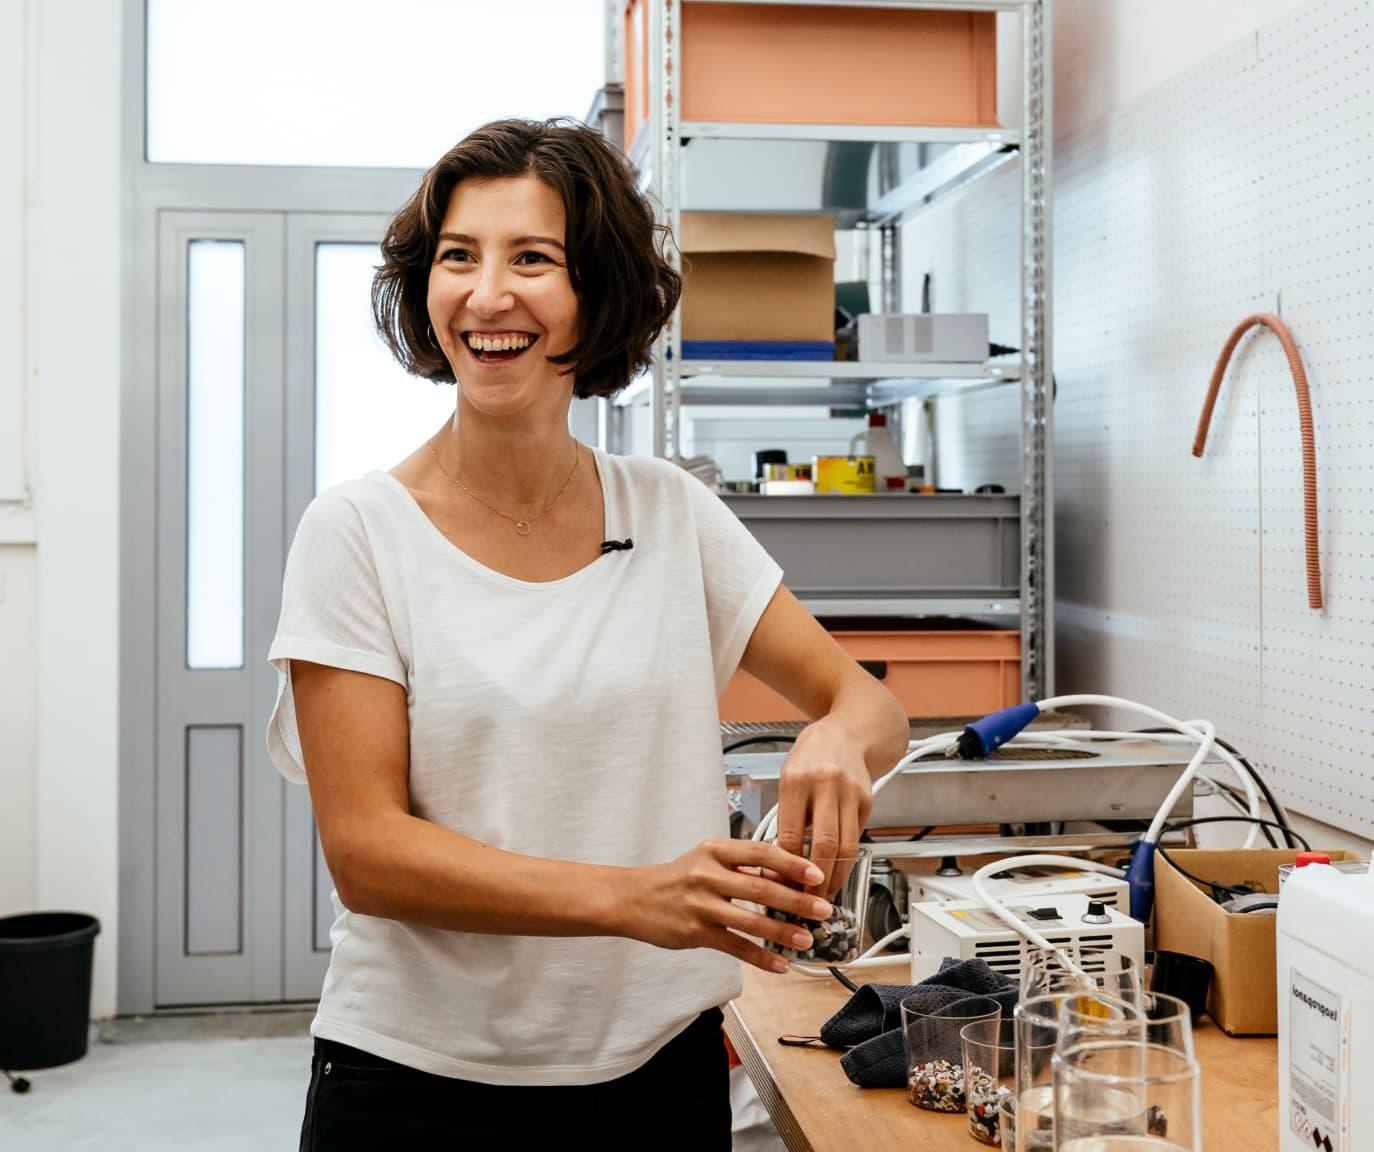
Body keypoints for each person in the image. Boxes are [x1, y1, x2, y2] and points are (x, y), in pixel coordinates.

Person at [267, 117, 908, 1149]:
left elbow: (869, 703)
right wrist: (637, 898)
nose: (488, 295)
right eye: (458, 258)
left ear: (595, 293)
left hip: (656, 1074)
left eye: (533, 259)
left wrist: (835, 736)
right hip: (417, 1085)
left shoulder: (669, 513)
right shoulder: (357, 533)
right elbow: (369, 852)